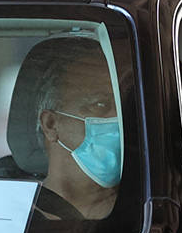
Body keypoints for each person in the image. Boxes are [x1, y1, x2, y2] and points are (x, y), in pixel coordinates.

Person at [31, 38, 121, 221]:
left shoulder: (151, 211)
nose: (119, 119)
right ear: (51, 125)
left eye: (123, 105)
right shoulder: (16, 221)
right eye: (100, 104)